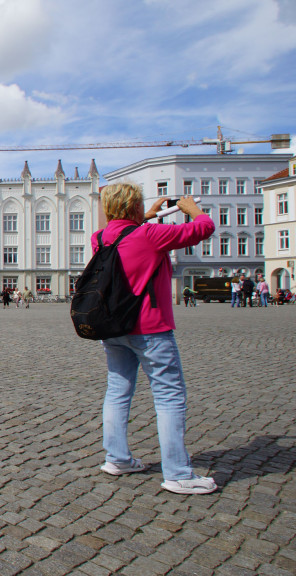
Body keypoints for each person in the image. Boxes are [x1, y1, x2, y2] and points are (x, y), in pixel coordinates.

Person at [95, 184, 217, 495]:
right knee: (169, 396)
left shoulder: (100, 238)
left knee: (118, 390)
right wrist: (191, 210)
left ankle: (117, 458)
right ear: (136, 208)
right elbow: (204, 228)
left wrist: (145, 217)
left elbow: (125, 234)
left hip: (113, 327)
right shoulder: (150, 235)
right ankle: (178, 472)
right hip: (150, 328)